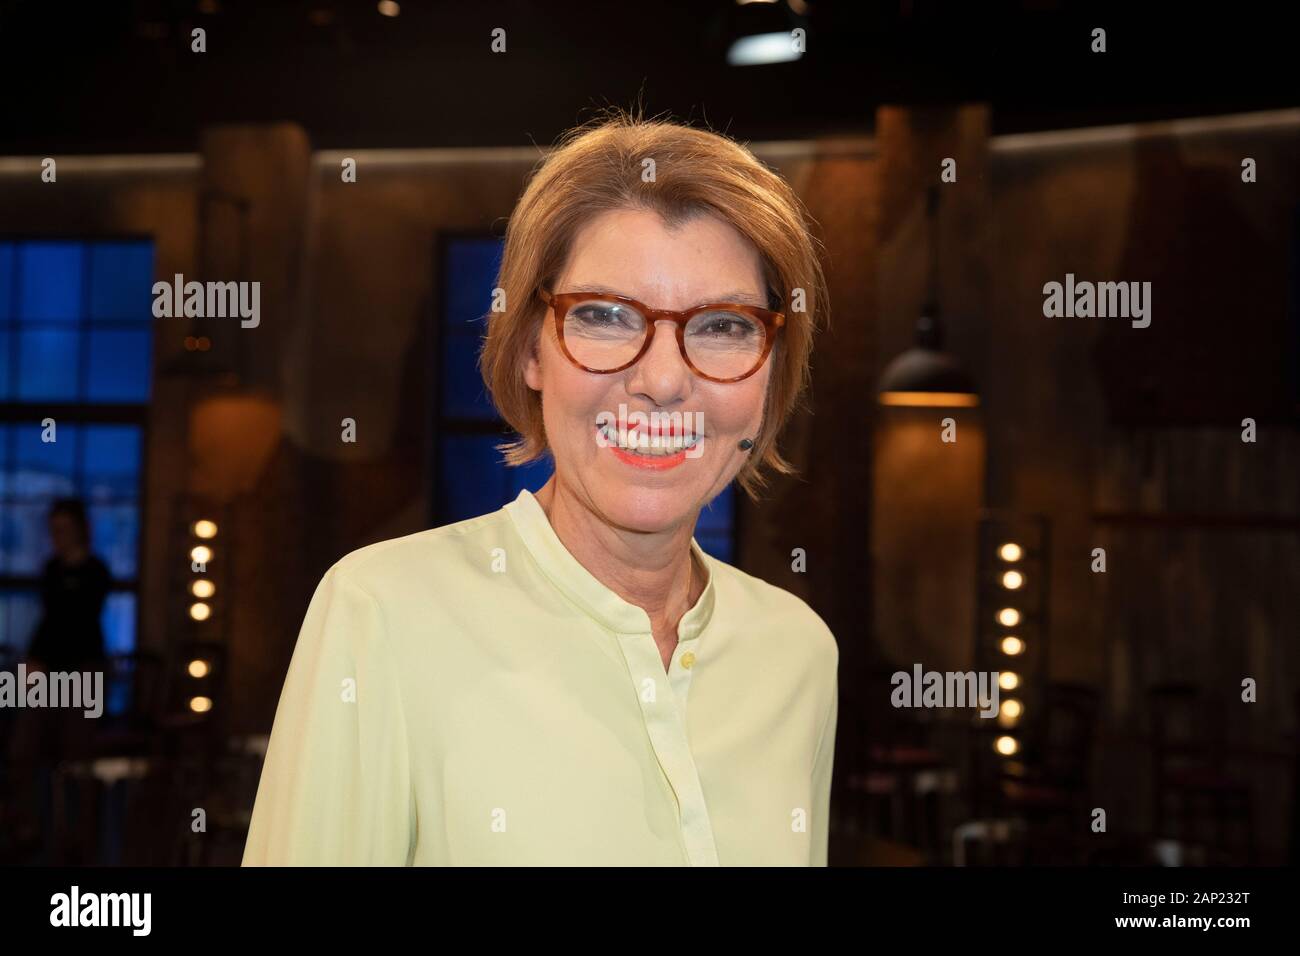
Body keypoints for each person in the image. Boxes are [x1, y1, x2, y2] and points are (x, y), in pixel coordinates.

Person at [242, 110, 838, 866]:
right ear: (530, 348)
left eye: (724, 326)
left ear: (772, 368)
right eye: (604, 316)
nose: (660, 380)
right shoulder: (382, 613)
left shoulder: (798, 655)